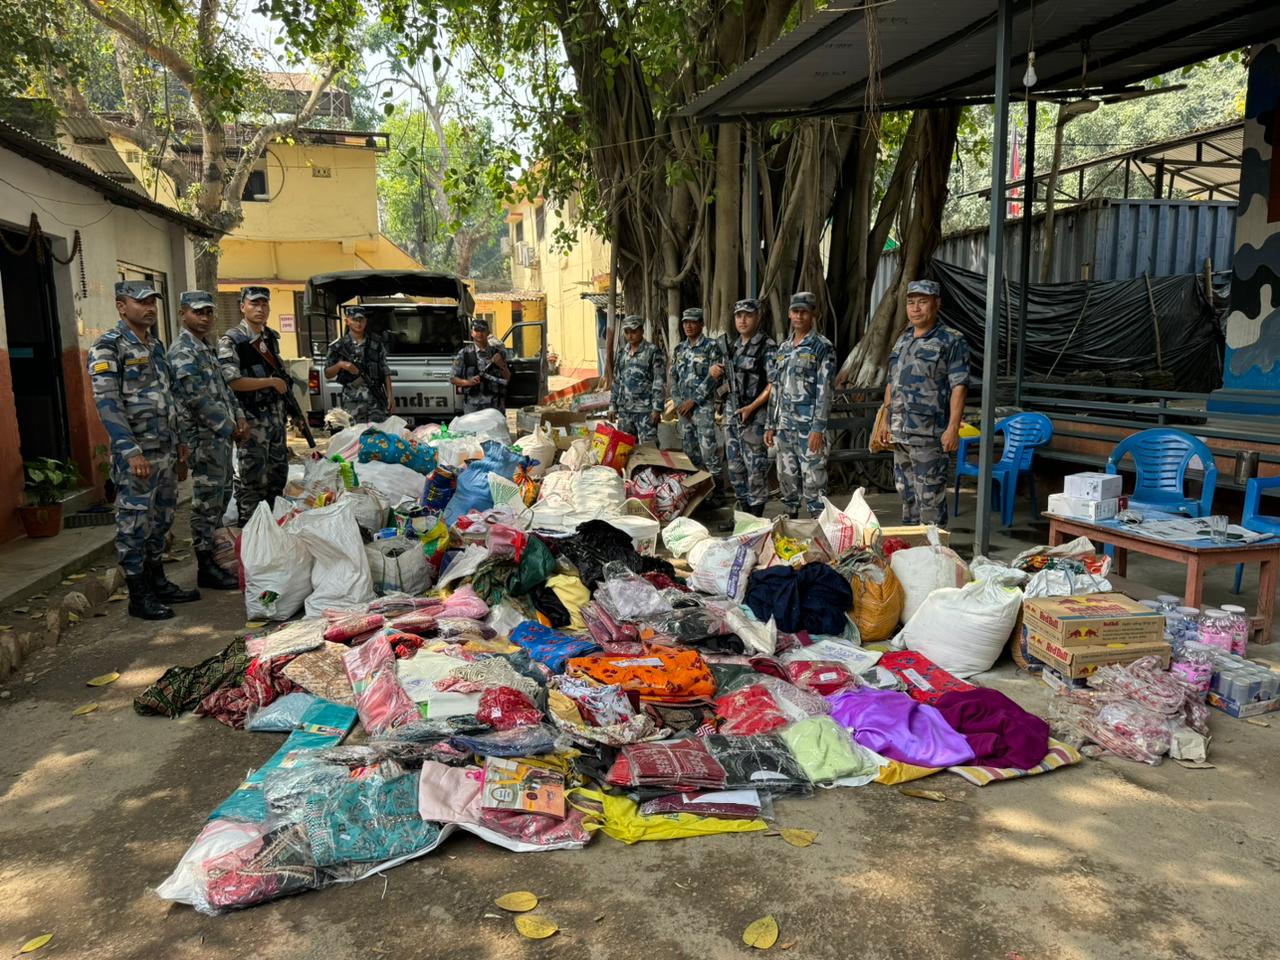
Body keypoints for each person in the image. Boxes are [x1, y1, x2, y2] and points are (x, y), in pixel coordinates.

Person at [88, 281, 200, 620]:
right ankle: (138, 595)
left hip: (165, 450)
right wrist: (129, 450)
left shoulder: (156, 346)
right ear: (122, 306)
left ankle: (157, 581)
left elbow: (169, 398)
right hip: (137, 455)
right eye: (141, 302)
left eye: (152, 301)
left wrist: (180, 443)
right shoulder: (108, 347)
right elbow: (108, 404)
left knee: (161, 519)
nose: (149, 307)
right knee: (134, 522)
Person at [169, 291, 249, 590]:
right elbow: (198, 399)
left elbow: (225, 391)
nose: (204, 317)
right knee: (206, 500)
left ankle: (214, 557)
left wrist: (239, 417)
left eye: (208, 312)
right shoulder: (182, 352)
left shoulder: (205, 348)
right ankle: (204, 565)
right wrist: (232, 428)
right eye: (197, 312)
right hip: (203, 438)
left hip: (222, 436)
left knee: (221, 495)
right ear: (183, 314)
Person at [876, 279, 970, 527]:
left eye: (922, 302)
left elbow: (959, 385)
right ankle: (913, 555)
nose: (915, 308)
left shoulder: (951, 340)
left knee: (930, 501)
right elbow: (891, 382)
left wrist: (952, 427)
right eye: (911, 302)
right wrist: (885, 420)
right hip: (900, 434)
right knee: (907, 498)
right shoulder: (903, 339)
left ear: (936, 304)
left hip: (930, 435)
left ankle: (936, 558)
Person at [218, 286, 289, 523]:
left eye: (264, 304)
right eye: (254, 304)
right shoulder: (232, 340)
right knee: (252, 482)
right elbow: (233, 381)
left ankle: (272, 533)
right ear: (242, 307)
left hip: (276, 420)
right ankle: (250, 537)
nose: (260, 309)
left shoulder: (270, 338)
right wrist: (269, 382)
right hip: (251, 421)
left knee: (277, 478)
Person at [765, 291, 835, 519]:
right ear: (789, 314)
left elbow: (825, 391)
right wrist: (770, 424)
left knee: (814, 478)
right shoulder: (784, 348)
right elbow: (775, 388)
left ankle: (820, 524)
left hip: (809, 428)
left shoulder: (821, 347)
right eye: (795, 311)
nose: (799, 316)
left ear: (813, 314)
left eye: (804, 312)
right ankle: (790, 520)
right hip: (785, 427)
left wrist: (818, 428)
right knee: (786, 476)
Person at [715, 298, 775, 529]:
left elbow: (773, 384)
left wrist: (751, 408)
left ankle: (756, 519)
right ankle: (743, 515)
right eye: (738, 316)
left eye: (748, 315)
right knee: (735, 469)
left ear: (757, 317)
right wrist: (715, 372)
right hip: (732, 416)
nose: (742, 320)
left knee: (755, 469)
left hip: (754, 417)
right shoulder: (731, 347)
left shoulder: (766, 346)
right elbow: (723, 383)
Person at [671, 307, 726, 504]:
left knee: (708, 452)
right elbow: (674, 379)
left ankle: (718, 493)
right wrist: (678, 404)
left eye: (693, 321)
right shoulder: (679, 349)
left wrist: (693, 401)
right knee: (690, 452)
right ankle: (700, 491)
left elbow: (714, 378)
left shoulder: (712, 347)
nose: (688, 325)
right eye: (685, 321)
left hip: (702, 408)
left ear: (702, 324)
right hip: (684, 411)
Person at [324, 305, 393, 422]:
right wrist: (340, 365)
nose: (358, 323)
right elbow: (327, 373)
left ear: (366, 322)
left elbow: (385, 370)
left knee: (379, 436)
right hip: (352, 401)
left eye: (361, 320)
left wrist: (390, 396)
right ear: (347, 321)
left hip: (375, 400)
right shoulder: (339, 346)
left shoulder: (376, 344)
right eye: (354, 320)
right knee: (354, 436)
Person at [608, 314, 666, 445]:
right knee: (625, 448)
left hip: (645, 411)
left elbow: (659, 382)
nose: (630, 335)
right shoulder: (622, 353)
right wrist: (612, 406)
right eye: (627, 332)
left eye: (633, 331)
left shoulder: (652, 352)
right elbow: (617, 380)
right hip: (625, 411)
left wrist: (657, 409)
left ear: (641, 330)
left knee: (649, 448)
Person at [451, 317, 510, 413]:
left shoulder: (498, 353)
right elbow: (453, 378)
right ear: (472, 333)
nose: (480, 333)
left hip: (494, 406)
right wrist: (468, 382)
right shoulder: (464, 354)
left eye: (483, 330)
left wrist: (501, 365)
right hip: (473, 407)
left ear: (488, 332)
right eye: (477, 330)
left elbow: (507, 378)